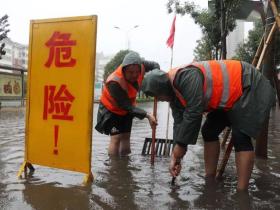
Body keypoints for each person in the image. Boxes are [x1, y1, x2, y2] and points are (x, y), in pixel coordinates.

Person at [141, 60, 275, 191]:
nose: (161, 100)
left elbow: (194, 112)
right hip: (228, 99)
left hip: (247, 86)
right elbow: (179, 124)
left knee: (240, 136)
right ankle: (210, 180)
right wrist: (175, 157)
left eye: (159, 96)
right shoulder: (174, 97)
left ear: (164, 88)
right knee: (209, 131)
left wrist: (181, 146)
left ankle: (242, 193)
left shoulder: (186, 76)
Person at [95, 52, 158, 156]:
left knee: (126, 136)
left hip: (128, 109)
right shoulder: (114, 82)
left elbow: (155, 65)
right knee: (116, 138)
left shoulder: (142, 66)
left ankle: (125, 164)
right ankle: (114, 168)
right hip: (111, 110)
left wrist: (156, 77)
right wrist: (147, 115)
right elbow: (126, 106)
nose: (134, 75)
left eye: (137, 72)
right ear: (124, 70)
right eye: (130, 72)